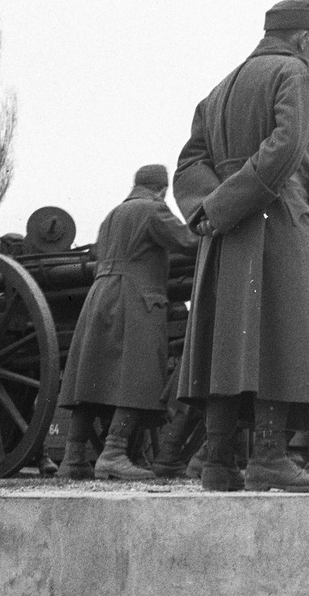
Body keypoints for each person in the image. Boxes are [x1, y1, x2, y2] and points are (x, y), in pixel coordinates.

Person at [171, 0, 309, 493]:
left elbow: (189, 164)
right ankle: (268, 458)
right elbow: (285, 148)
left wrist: (214, 207)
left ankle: (218, 461)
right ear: (302, 37)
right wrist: (235, 202)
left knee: (228, 341)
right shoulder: (298, 75)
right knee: (281, 334)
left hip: (225, 233)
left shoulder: (219, 89)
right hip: (278, 218)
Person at [57, 164, 202, 481]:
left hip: (100, 296)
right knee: (138, 376)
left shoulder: (112, 215)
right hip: (136, 299)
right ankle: (114, 453)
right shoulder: (153, 209)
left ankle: (72, 458)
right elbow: (188, 241)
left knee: (92, 377)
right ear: (162, 189)